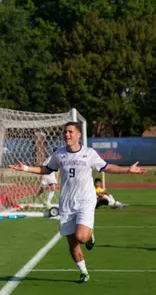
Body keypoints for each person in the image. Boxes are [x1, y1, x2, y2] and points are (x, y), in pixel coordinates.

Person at [9, 121, 147, 283]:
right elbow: (47, 169)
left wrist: (127, 170)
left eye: (70, 132)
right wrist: (25, 168)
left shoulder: (89, 153)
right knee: (72, 244)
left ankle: (89, 236)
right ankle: (84, 272)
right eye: (65, 132)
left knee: (81, 236)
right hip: (66, 203)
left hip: (85, 202)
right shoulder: (59, 154)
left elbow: (107, 167)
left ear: (78, 135)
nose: (66, 135)